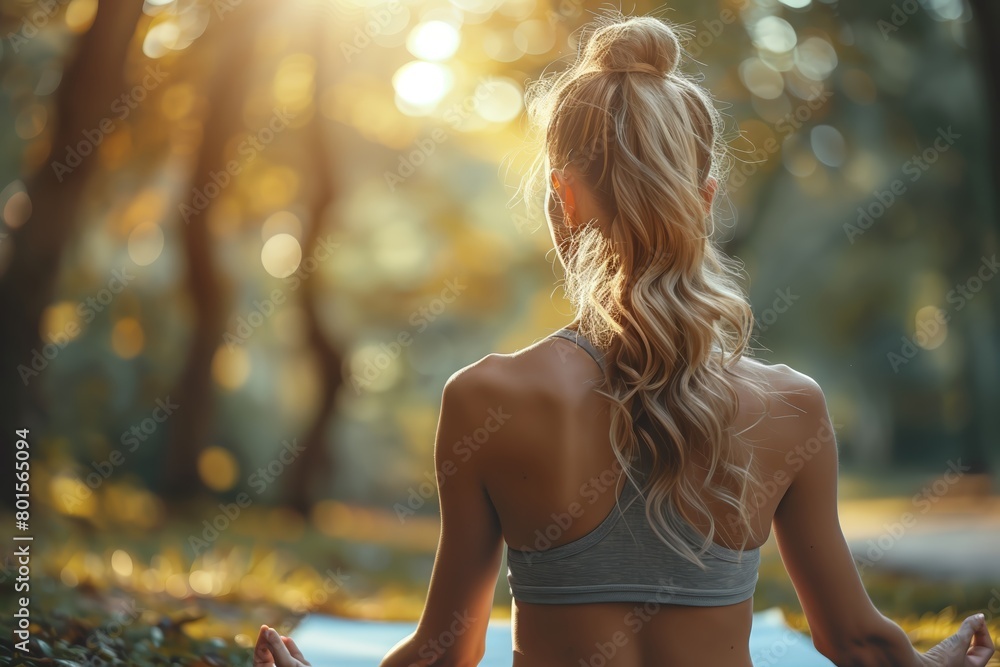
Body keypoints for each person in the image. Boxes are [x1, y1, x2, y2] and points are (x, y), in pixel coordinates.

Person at [254, 12, 995, 667]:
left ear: (563, 198)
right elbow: (857, 642)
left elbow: (448, 651)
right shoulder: (792, 406)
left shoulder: (487, 397)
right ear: (704, 201)